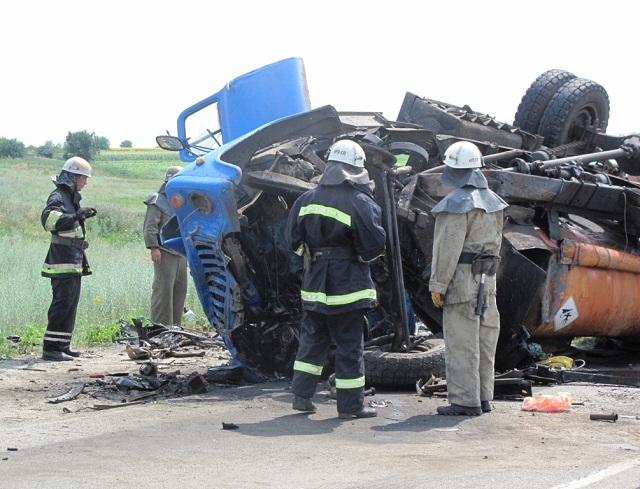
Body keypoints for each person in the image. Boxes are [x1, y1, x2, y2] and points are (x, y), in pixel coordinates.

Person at [286, 140, 386, 419]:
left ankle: (301, 396)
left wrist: (315, 257)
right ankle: (351, 405)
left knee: (313, 341)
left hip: (315, 284)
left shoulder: (305, 199)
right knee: (349, 346)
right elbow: (373, 248)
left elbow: (293, 243)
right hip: (348, 286)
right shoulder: (360, 202)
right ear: (357, 169)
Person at [429, 141, 508, 415]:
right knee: (485, 340)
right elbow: (496, 245)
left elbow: (446, 250)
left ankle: (464, 401)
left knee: (462, 342)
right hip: (488, 280)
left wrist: (438, 285)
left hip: (462, 280)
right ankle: (484, 398)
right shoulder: (495, 204)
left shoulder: (455, 205)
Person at [41, 156, 97, 361]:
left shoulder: (70, 197)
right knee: (62, 303)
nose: (86, 182)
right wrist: (75, 216)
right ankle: (51, 349)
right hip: (62, 260)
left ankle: (62, 345)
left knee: (70, 304)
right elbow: (49, 221)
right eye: (84, 178)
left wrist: (81, 214)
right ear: (73, 177)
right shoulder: (58, 196)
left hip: (73, 259)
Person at [143, 166, 188, 327]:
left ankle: (176, 328)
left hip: (180, 252)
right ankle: (160, 328)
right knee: (163, 291)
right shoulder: (157, 200)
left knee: (180, 290)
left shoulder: (181, 200)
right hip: (163, 251)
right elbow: (150, 227)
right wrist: (153, 247)